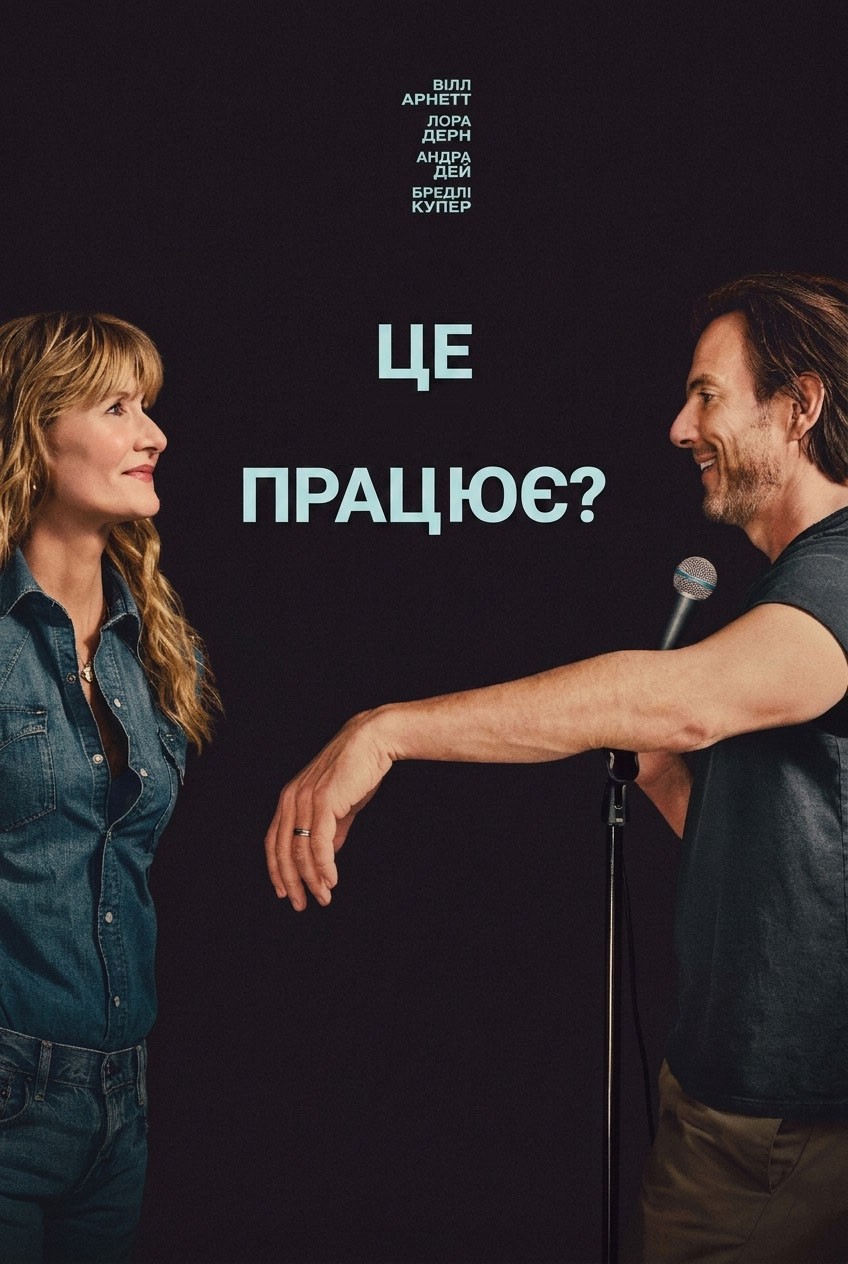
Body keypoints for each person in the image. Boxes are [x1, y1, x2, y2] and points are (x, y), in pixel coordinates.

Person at [265, 272, 848, 1261]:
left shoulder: (833, 577)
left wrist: (384, 730)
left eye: (707, 394)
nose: (679, 427)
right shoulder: (794, 587)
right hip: (767, 1109)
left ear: (798, 407)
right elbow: (780, 845)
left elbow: (682, 697)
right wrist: (663, 772)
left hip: (772, 1124)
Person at [0, 312, 219, 1263]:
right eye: (116, 408)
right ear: (33, 432)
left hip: (119, 1108)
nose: (153, 434)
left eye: (149, 408)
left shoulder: (160, 653)